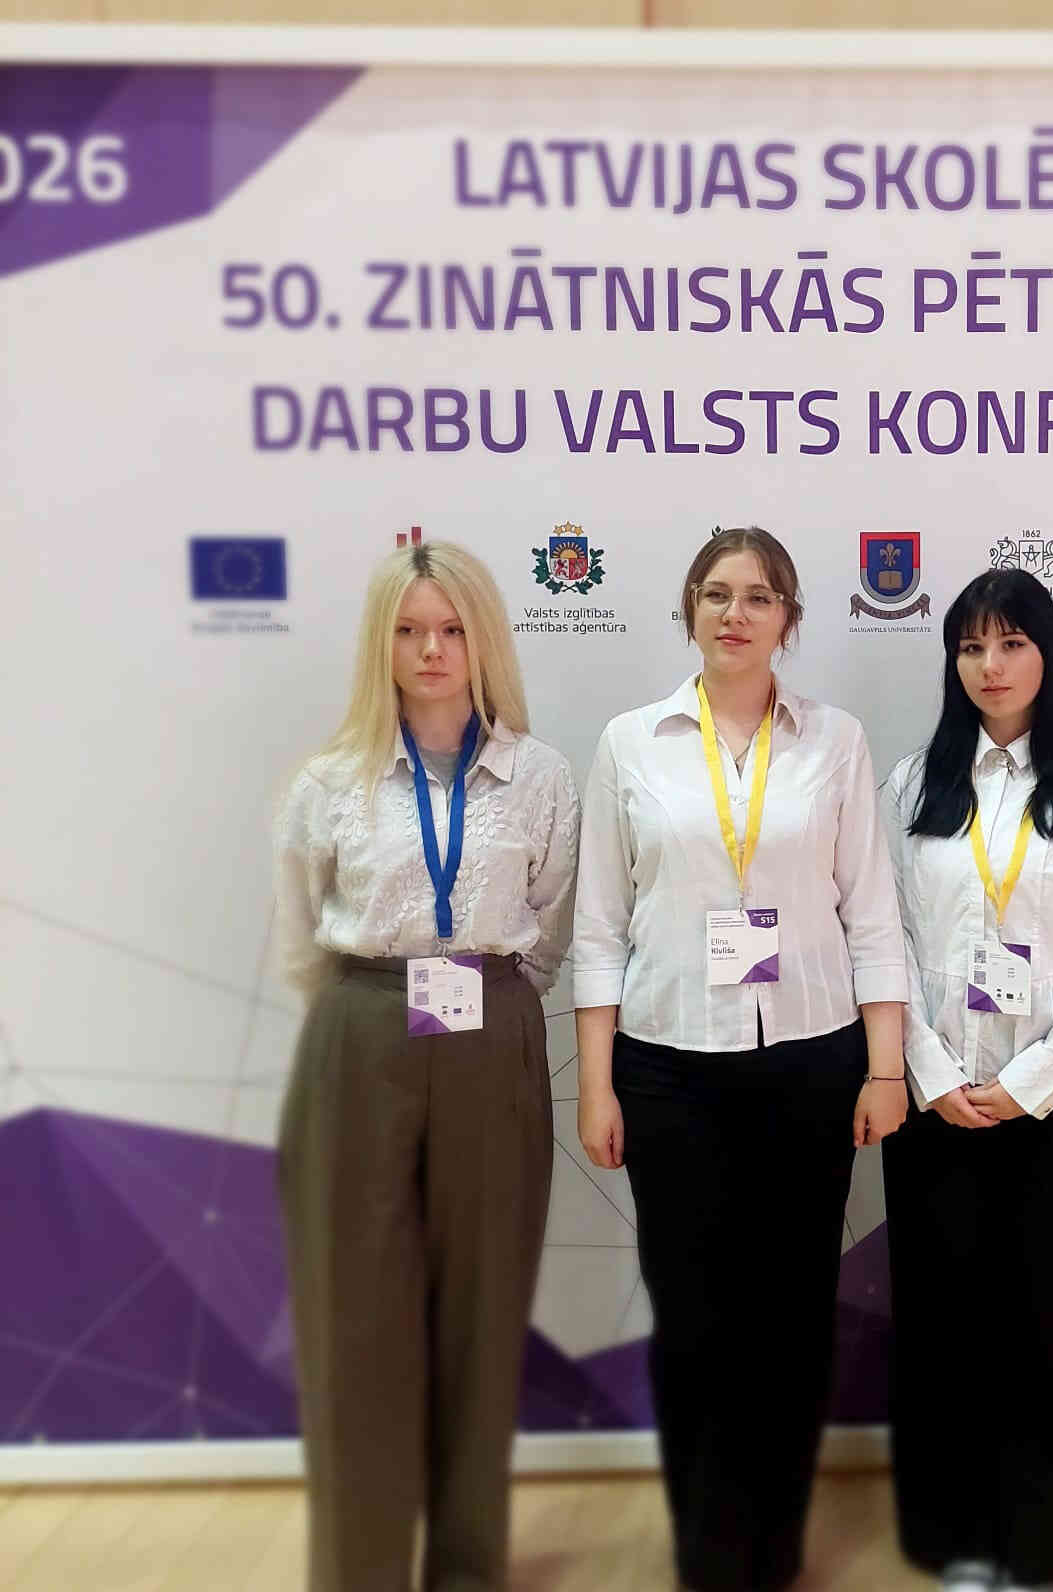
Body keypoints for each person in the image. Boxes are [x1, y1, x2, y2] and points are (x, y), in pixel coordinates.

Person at [573, 525, 908, 1592]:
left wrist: (885, 1066)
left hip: (811, 1063)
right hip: (668, 1070)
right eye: (716, 593)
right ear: (689, 609)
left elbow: (873, 914)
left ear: (788, 620)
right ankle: (710, 1551)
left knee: (793, 1317)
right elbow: (598, 927)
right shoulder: (631, 742)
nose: (736, 613)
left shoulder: (835, 740)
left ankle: (774, 1546)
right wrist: (595, 1083)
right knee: (693, 1320)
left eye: (759, 596)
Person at [273, 539, 579, 1592]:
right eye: (408, 631)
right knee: (355, 1316)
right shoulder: (330, 781)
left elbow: (549, 929)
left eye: (451, 629)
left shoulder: (539, 777)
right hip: (363, 1034)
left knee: (483, 1316)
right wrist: (372, 1010)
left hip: (492, 1028)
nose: (432, 650)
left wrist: (488, 1002)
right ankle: (359, 1571)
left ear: (484, 638)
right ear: (381, 643)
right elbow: (301, 940)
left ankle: (467, 1570)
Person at [880, 568, 1053, 1592]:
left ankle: (1047, 1542)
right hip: (939, 1105)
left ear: (1048, 653)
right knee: (946, 1327)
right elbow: (883, 940)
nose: (990, 666)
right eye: (970, 647)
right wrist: (929, 1070)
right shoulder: (912, 784)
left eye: (1011, 643)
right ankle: (958, 1537)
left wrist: (1036, 1077)